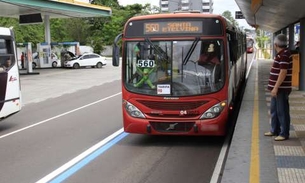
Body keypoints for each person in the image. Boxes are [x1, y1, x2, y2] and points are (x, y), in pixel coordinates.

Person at [264, 34, 293, 141]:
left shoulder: (284, 55)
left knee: (282, 111)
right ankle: (274, 130)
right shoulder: (281, 54)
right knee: (274, 110)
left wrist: (275, 87)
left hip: (281, 89)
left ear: (275, 44)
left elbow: (283, 72)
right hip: (277, 89)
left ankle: (284, 133)